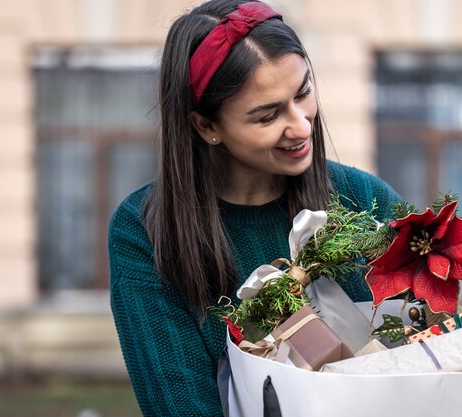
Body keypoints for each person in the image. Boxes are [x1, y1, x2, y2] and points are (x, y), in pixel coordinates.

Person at [108, 0, 402, 415]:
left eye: (303, 93)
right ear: (206, 126)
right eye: (267, 116)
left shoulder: (361, 197)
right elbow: (179, 403)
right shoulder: (146, 233)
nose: (301, 126)